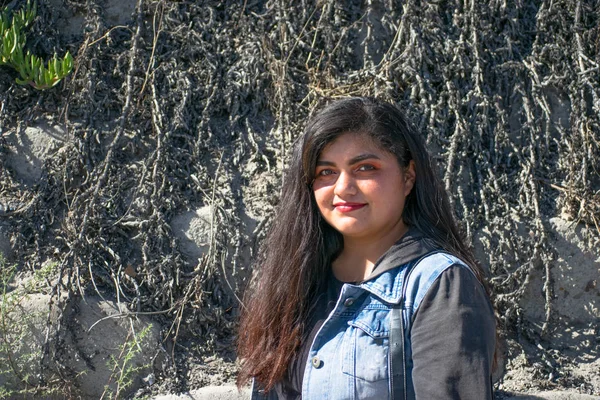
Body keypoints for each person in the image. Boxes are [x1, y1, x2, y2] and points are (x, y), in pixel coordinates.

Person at [237, 97, 497, 399]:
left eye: (365, 168)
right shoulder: (297, 283)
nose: (343, 187)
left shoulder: (439, 285)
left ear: (408, 176)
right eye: (326, 172)